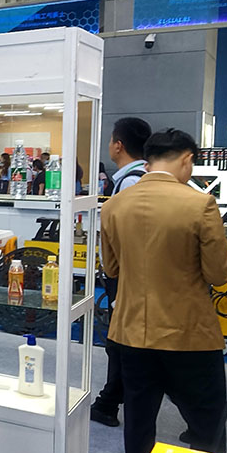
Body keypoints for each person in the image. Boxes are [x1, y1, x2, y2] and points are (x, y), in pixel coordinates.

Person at [101, 128, 227, 453]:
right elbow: (219, 273)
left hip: (131, 333)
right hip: (189, 335)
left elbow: (111, 268)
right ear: (186, 159)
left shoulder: (114, 205)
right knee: (207, 425)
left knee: (140, 423)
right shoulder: (199, 203)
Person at [91, 117, 152, 428]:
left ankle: (109, 402)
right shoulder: (142, 177)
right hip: (134, 275)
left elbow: (127, 237)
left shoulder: (131, 182)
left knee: (120, 343)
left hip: (127, 277)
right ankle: (110, 400)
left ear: (118, 145)